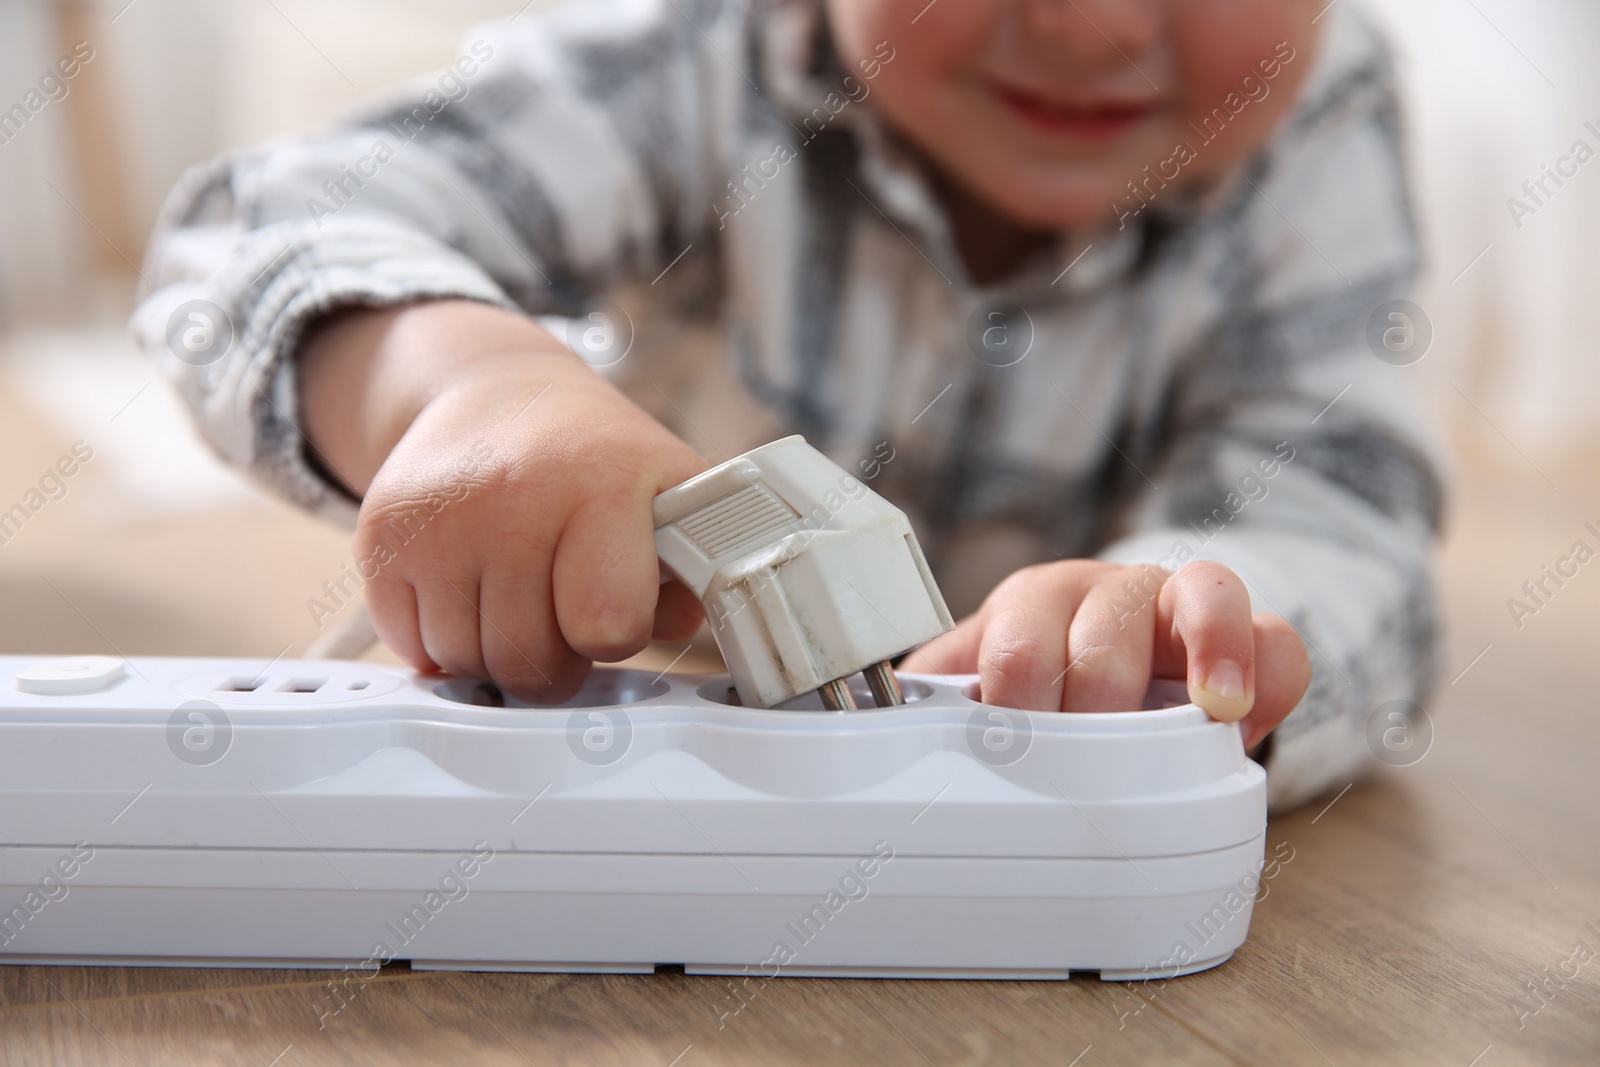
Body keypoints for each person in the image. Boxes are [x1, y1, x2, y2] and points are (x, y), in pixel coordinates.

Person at [133, 0, 1442, 811]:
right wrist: (460, 381)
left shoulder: (1316, 121)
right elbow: (247, 229)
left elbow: (1342, 515)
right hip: (656, 689)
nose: (1092, 22)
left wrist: (1187, 635)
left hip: (1031, 765)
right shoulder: (693, 46)